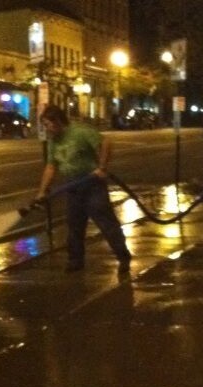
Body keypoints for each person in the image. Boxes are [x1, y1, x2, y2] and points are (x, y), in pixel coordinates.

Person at [35, 105, 131, 274]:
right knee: (75, 226)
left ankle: (122, 256)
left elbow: (105, 143)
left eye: (47, 124)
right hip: (73, 187)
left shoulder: (80, 131)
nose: (46, 128)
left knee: (105, 222)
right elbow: (51, 166)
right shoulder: (53, 141)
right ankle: (75, 260)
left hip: (92, 184)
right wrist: (43, 191)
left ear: (57, 121)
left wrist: (102, 167)